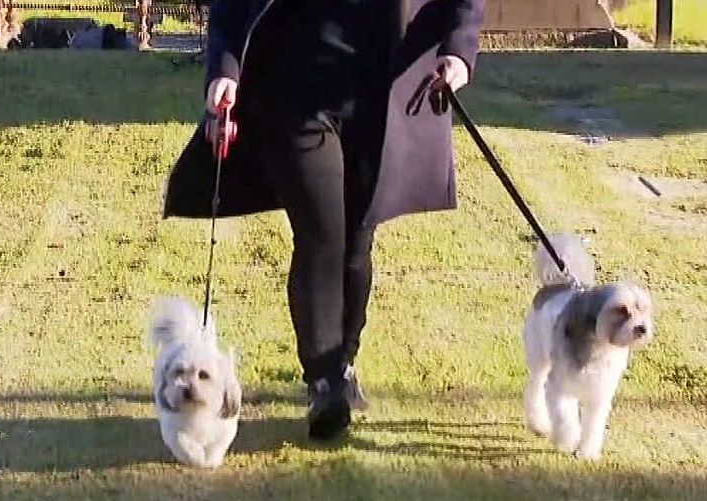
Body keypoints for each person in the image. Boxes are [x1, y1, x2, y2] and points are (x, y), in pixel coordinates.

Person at [162, 0, 485, 441]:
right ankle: (323, 380)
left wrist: (459, 47)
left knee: (356, 239)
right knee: (320, 234)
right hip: (290, 88)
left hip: (384, 88)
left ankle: (343, 360)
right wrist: (224, 65)